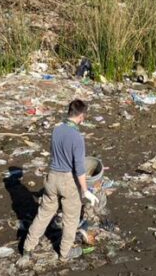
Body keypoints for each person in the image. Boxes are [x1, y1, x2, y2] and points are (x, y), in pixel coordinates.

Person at [17, 99, 98, 265]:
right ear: (81, 116)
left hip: (52, 177)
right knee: (71, 219)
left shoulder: (56, 129)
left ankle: (27, 249)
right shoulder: (77, 137)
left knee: (44, 214)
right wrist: (85, 191)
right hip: (68, 180)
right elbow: (80, 168)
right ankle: (64, 253)